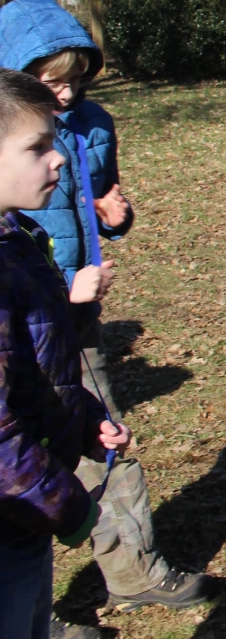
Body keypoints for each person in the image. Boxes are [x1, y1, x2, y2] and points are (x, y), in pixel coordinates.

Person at [0, 0, 215, 623]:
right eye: (50, 81)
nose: (65, 94)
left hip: (63, 311)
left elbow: (96, 198)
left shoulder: (89, 127)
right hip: (52, 304)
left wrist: (114, 217)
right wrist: (66, 289)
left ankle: (129, 570)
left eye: (74, 80)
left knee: (91, 429)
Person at [0, 68, 130, 639]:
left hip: (22, 521)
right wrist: (67, 506)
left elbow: (37, 365)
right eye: (37, 147)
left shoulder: (20, 239)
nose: (58, 159)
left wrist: (84, 419)